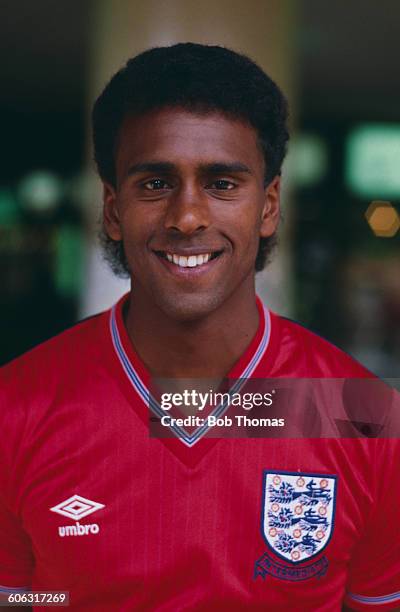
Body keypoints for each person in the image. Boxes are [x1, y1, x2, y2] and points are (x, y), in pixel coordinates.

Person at [0, 43, 399, 612]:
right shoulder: (15, 408)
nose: (188, 216)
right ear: (113, 209)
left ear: (268, 206)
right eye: (155, 183)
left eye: (223, 183)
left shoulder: (364, 415)